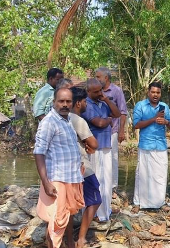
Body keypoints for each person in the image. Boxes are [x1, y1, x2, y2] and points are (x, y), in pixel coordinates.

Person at [33, 88, 84, 248]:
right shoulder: (48, 122)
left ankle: (69, 244)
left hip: (71, 177)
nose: (65, 104)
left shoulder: (67, 120)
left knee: (67, 214)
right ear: (54, 102)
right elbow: (39, 153)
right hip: (57, 178)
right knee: (56, 221)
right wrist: (46, 182)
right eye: (61, 101)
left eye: (68, 101)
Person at [81, 78, 121, 222]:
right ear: (88, 91)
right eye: (96, 91)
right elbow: (99, 123)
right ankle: (93, 214)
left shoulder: (103, 102)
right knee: (96, 180)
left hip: (106, 146)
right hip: (94, 149)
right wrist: (109, 120)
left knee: (107, 180)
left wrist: (107, 100)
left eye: (100, 90)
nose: (99, 93)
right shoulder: (86, 105)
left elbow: (117, 114)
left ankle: (105, 211)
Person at [132, 82, 170, 210]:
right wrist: (153, 119)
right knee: (143, 174)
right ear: (148, 92)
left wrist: (166, 122)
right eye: (153, 92)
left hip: (160, 145)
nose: (155, 95)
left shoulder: (164, 106)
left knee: (160, 174)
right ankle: (140, 203)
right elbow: (136, 125)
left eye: (158, 92)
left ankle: (158, 202)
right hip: (146, 144)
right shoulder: (141, 105)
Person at [68, 87, 101, 248]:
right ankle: (81, 238)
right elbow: (94, 143)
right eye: (85, 101)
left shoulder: (62, 118)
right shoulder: (78, 120)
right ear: (79, 103)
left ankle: (67, 240)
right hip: (82, 167)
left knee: (70, 205)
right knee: (95, 199)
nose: (87, 104)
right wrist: (89, 144)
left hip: (68, 169)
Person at [95, 67, 128, 197]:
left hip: (112, 130)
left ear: (106, 78)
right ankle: (99, 184)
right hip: (97, 131)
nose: (96, 79)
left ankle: (113, 188)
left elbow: (123, 112)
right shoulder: (95, 91)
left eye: (98, 77)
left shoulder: (116, 91)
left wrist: (121, 131)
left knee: (113, 158)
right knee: (98, 159)